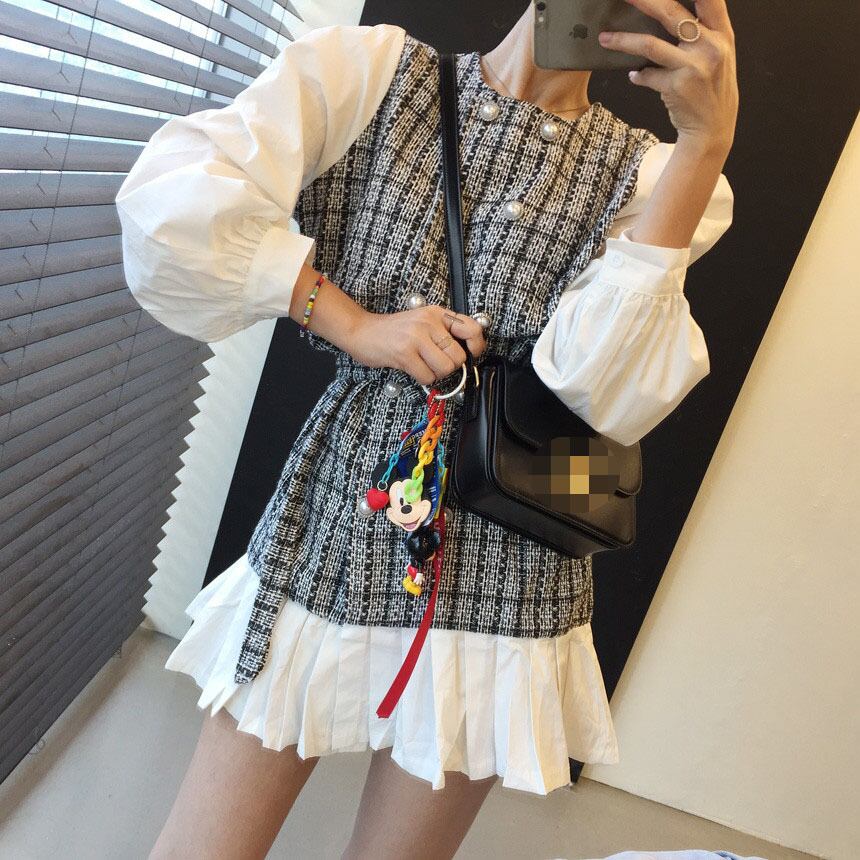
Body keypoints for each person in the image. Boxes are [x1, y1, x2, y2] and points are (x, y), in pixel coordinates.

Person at [116, 1, 738, 857]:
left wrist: (704, 146)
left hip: (518, 547)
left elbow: (604, 391)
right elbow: (174, 196)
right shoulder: (367, 74)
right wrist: (354, 325)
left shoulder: (653, 176)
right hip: (341, 508)